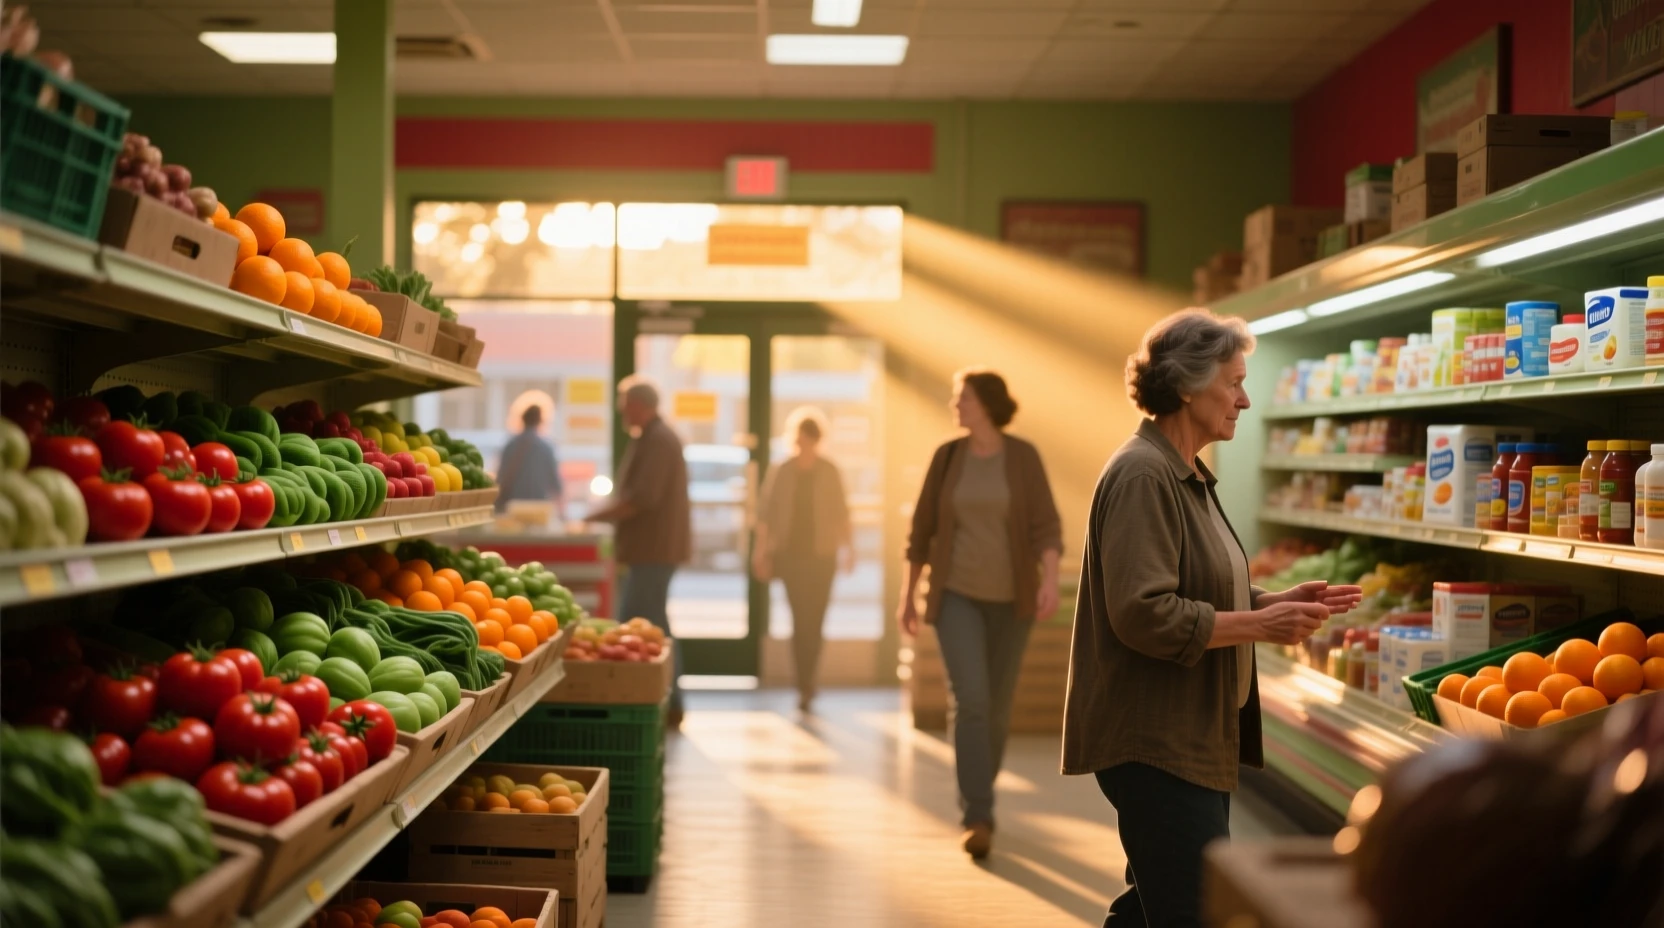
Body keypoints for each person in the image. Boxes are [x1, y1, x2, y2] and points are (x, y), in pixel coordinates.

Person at [1062, 309, 1362, 927]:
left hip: (1190, 733)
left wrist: (1273, 604)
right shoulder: (1145, 475)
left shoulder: (1187, 472)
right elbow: (1143, 613)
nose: (1245, 399)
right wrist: (1258, 628)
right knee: (1192, 909)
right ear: (1187, 384)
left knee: (1152, 907)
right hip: (1154, 741)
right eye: (1233, 382)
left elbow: (1197, 588)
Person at [899, 369, 1062, 860]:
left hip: (1013, 599)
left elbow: (1045, 525)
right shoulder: (947, 457)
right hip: (956, 597)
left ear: (987, 403)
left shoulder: (1023, 457)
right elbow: (921, 531)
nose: (956, 404)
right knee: (970, 698)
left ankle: (979, 789)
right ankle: (978, 812)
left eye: (963, 397)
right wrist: (908, 596)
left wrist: (1050, 579)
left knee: (995, 705)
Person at [588, 375, 692, 724]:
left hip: (655, 550)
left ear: (638, 406)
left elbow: (643, 498)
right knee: (654, 623)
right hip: (652, 550)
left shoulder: (659, 441)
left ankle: (666, 701)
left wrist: (597, 515)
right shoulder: (653, 437)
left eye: (624, 405)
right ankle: (668, 700)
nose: (621, 412)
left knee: (643, 624)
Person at [753, 407, 854, 714]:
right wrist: (761, 551)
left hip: (822, 556)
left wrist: (849, 549)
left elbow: (841, 513)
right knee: (799, 618)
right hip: (790, 556)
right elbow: (766, 514)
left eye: (809, 438)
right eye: (800, 438)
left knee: (817, 618)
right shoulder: (783, 470)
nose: (803, 444)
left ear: (816, 440)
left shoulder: (829, 470)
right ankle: (804, 682)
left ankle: (809, 679)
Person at [494, 404, 564, 515]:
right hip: (539, 509)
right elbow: (555, 483)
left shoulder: (510, 446)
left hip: (513, 508)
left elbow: (500, 479)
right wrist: (562, 513)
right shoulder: (546, 448)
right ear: (539, 421)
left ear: (523, 420)